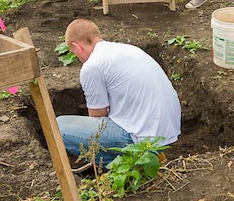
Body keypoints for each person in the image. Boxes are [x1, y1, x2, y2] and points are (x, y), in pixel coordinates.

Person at [57, 19, 181, 167]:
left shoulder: (92, 66)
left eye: (74, 53)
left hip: (142, 138)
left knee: (57, 127)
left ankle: (126, 164)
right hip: (168, 131)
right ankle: (152, 155)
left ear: (77, 47)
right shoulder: (128, 49)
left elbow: (97, 116)